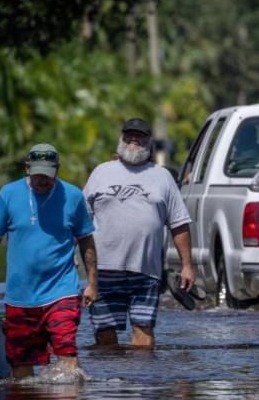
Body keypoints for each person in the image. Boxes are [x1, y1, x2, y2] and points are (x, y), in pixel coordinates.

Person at [0, 143, 97, 379]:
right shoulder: (8, 195)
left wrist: (93, 283)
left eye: (48, 173)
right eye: (38, 173)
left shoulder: (73, 196)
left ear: (58, 169)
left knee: (67, 355)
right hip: (20, 296)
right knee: (21, 367)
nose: (43, 179)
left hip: (61, 291)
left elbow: (86, 241)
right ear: (27, 168)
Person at [83, 118, 195, 347]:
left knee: (144, 334)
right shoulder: (101, 173)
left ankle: (141, 382)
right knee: (104, 334)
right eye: (128, 135)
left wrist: (187, 266)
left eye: (140, 136)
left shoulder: (162, 176)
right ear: (121, 139)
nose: (133, 140)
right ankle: (111, 382)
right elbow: (80, 221)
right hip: (103, 270)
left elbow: (179, 224)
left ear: (149, 142)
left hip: (146, 272)